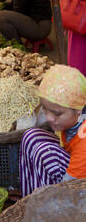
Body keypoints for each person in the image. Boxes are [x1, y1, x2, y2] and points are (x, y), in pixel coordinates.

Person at [20, 64, 86, 197]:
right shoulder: (69, 121)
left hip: (78, 190)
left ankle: (41, 212)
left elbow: (70, 186)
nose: (49, 118)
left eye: (57, 113)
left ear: (78, 110)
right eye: (45, 108)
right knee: (31, 136)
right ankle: (27, 201)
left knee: (45, 152)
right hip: (74, 170)